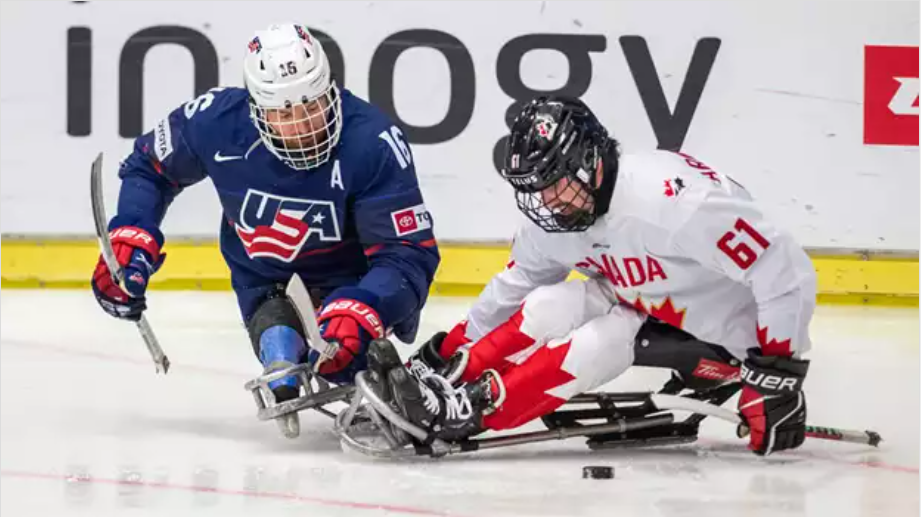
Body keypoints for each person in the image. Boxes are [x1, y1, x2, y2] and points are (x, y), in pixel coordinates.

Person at [379, 96, 816, 455]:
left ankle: (469, 413)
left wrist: (775, 376)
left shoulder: (672, 202)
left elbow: (784, 269)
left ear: (590, 161)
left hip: (728, 343)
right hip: (648, 302)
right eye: (534, 187)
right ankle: (450, 379)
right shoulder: (561, 211)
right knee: (550, 303)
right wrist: (447, 351)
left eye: (554, 182)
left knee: (601, 340)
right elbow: (513, 289)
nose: (546, 200)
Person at [90, 23, 440, 437]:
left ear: (331, 88)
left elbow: (407, 254)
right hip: (263, 278)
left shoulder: (373, 141)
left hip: (353, 281)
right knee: (276, 332)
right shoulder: (215, 120)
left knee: (351, 349)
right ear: (257, 109)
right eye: (283, 112)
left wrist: (366, 305)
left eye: (313, 104)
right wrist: (131, 234)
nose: (303, 124)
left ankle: (352, 347)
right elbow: (148, 167)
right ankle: (280, 356)